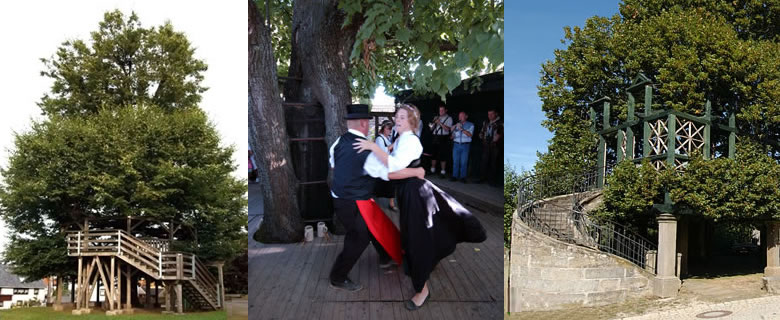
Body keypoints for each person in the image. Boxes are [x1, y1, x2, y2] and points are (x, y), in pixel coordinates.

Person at [353, 104, 487, 310]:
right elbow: (394, 166)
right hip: (408, 193)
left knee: (416, 241)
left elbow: (394, 167)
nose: (398, 120)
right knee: (415, 237)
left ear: (412, 122)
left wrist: (375, 150)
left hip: (415, 194)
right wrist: (402, 166)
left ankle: (421, 289)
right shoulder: (401, 139)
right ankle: (428, 262)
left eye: (403, 118)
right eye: (397, 116)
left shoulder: (411, 142)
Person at [328, 104, 425, 292]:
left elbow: (334, 165)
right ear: (364, 123)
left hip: (340, 197)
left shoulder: (339, 141)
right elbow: (390, 174)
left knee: (374, 226)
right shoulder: (368, 151)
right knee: (359, 237)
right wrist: (417, 171)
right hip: (355, 200)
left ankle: (385, 256)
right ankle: (337, 276)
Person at [375, 120, 397, 211]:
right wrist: (393, 144)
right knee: (380, 185)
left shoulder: (387, 138)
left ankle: (391, 204)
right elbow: (383, 151)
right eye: (388, 129)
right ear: (383, 128)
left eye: (391, 129)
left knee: (392, 184)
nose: (390, 131)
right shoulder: (379, 139)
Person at [479, 108, 503, 185]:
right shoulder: (486, 122)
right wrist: (481, 135)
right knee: (484, 162)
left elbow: (500, 134)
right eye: (489, 114)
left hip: (495, 146)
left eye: (492, 114)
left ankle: (492, 181)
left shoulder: (500, 123)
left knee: (494, 163)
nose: (490, 116)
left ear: (496, 114)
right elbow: (482, 132)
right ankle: (482, 178)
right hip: (486, 145)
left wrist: (498, 137)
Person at [427, 105, 453, 178]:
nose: (440, 112)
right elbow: (431, 129)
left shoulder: (449, 118)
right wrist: (432, 125)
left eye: (442, 110)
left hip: (443, 138)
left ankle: (443, 172)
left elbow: (448, 129)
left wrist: (440, 123)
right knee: (434, 154)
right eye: (439, 110)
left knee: (443, 155)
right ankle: (432, 170)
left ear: (446, 111)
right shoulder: (436, 117)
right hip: (435, 137)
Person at [450, 111, 474, 183]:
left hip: (465, 145)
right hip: (456, 144)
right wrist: (453, 133)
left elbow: (470, 135)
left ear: (466, 117)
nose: (460, 117)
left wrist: (461, 129)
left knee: (464, 162)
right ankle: (454, 176)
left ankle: (463, 177)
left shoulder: (470, 125)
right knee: (455, 161)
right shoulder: (456, 125)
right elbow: (452, 134)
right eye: (459, 116)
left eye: (462, 116)